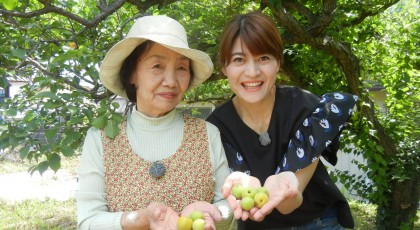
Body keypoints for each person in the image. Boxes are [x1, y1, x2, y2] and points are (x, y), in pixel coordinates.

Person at [76, 15, 234, 230]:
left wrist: (212, 214)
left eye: (181, 68)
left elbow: (228, 205)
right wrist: (138, 220)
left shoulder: (207, 133)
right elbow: (87, 221)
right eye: (157, 65)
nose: (170, 81)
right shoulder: (101, 138)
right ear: (132, 73)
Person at [206, 11, 357, 229]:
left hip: (319, 222)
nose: (252, 71)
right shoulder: (216, 127)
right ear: (225, 67)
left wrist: (285, 185)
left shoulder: (305, 108)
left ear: (278, 62)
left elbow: (288, 205)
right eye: (239, 59)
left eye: (263, 58)